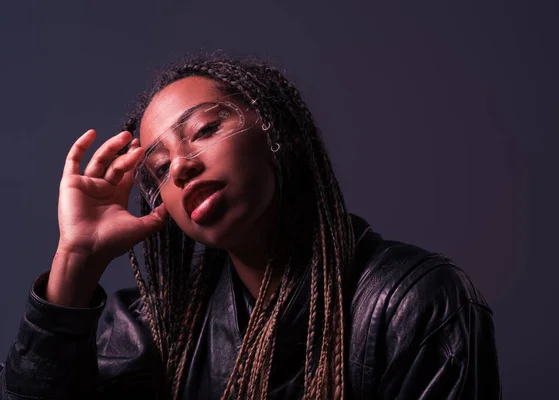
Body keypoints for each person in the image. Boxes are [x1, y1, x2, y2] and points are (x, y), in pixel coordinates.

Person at [0, 54, 501, 400]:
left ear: (275, 132)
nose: (179, 167)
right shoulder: (159, 326)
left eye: (205, 130)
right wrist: (77, 259)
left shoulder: (413, 304)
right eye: (157, 168)